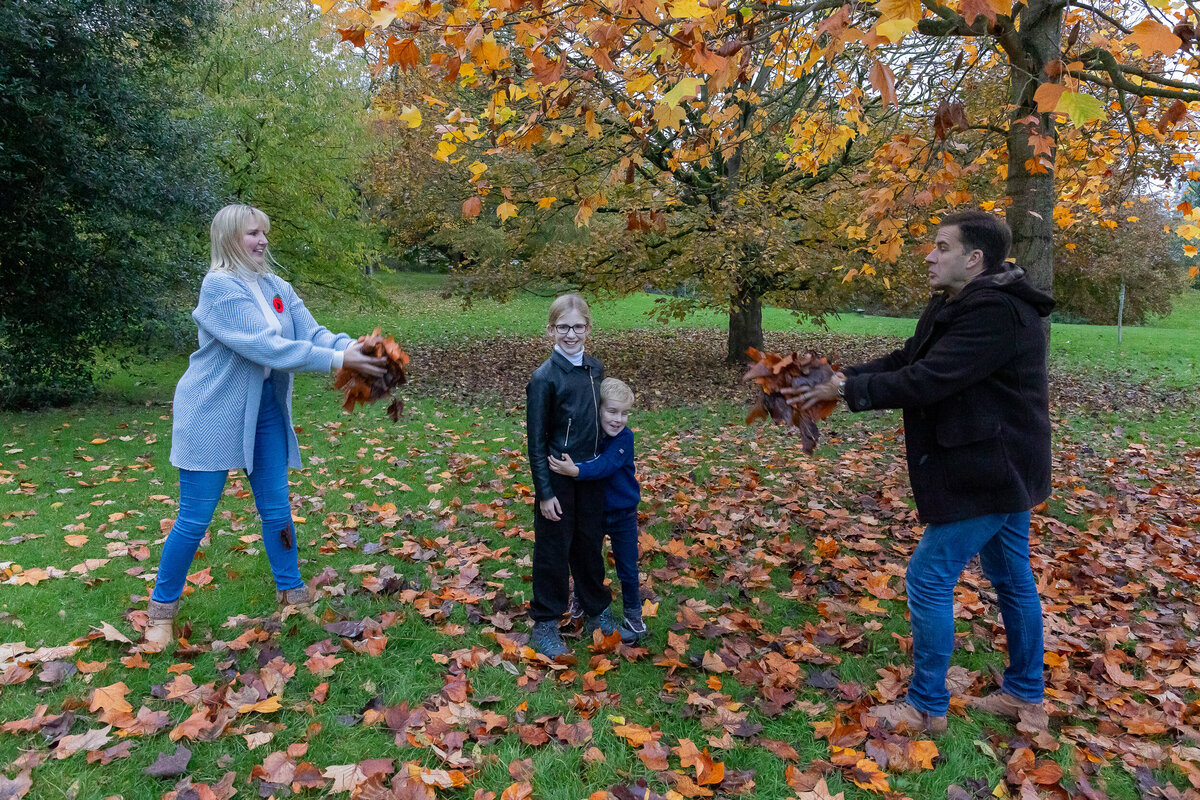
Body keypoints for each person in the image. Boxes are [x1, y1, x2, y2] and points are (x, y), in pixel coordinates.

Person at [787, 210, 1054, 734]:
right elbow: (908, 358)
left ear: (974, 259)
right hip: (999, 464)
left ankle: (927, 707)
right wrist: (843, 377)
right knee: (1012, 578)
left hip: (990, 470)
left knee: (928, 578)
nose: (929, 256)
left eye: (942, 247)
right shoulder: (955, 303)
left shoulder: (996, 313)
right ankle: (1025, 693)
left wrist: (843, 392)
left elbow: (931, 379)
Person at [144, 204, 386, 650]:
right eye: (252, 233)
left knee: (277, 509)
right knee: (194, 519)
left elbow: (311, 334)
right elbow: (265, 346)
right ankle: (161, 613)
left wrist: (354, 347)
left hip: (265, 412)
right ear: (229, 239)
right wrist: (340, 361)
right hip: (211, 413)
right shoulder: (219, 287)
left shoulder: (276, 286)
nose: (263, 241)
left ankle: (292, 596)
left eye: (264, 233)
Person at [525, 294, 628, 657]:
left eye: (578, 327)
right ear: (551, 329)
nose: (571, 334)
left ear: (588, 328)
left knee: (588, 544)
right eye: (563, 327)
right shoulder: (544, 378)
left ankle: (595, 607)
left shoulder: (595, 369)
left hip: (590, 475)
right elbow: (536, 442)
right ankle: (546, 622)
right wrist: (545, 491)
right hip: (558, 478)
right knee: (554, 549)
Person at [550, 377, 646, 642]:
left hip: (623, 512)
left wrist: (576, 470)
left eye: (625, 413)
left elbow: (605, 465)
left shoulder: (624, 438)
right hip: (593, 512)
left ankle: (633, 615)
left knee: (627, 565)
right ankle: (584, 599)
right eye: (612, 411)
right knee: (588, 561)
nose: (618, 419)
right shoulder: (589, 434)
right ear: (597, 409)